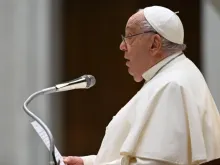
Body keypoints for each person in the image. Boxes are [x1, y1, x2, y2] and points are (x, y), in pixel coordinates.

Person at [63, 6, 220, 165]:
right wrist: (87, 163)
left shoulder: (172, 86)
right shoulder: (170, 74)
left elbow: (155, 163)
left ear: (154, 44)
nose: (122, 46)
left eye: (129, 36)